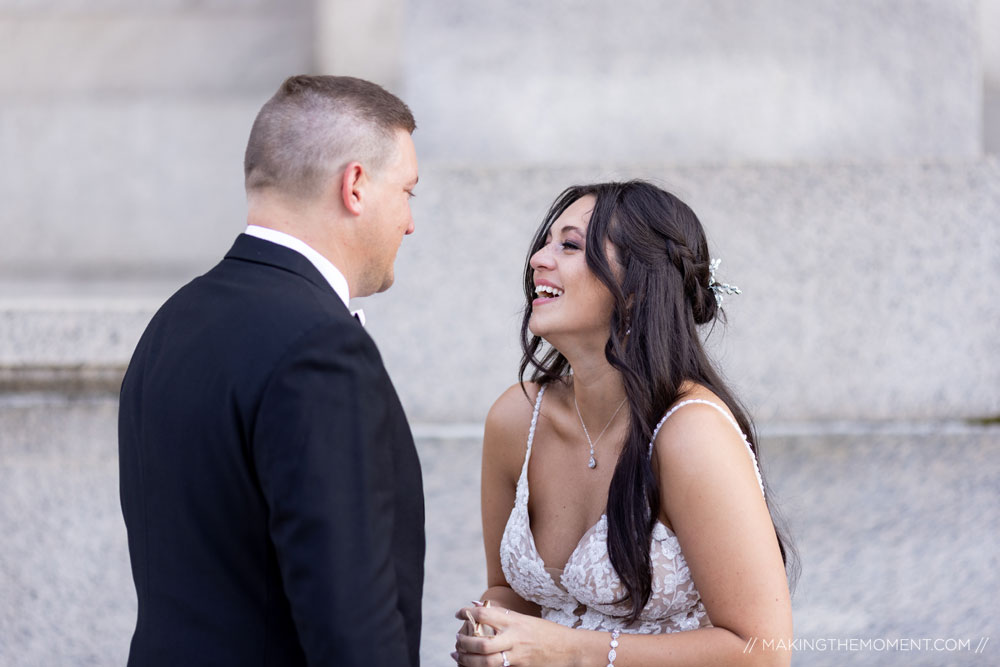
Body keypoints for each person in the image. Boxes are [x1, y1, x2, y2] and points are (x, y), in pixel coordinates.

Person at [119, 75, 424, 666]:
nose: (410, 223)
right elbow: (350, 619)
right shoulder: (321, 347)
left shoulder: (173, 322)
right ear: (355, 185)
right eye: (409, 192)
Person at [454, 181, 795, 666]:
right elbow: (511, 593)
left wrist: (569, 651)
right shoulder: (515, 419)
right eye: (546, 242)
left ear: (635, 289)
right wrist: (489, 631)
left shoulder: (690, 434)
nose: (538, 260)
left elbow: (764, 652)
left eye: (570, 245)